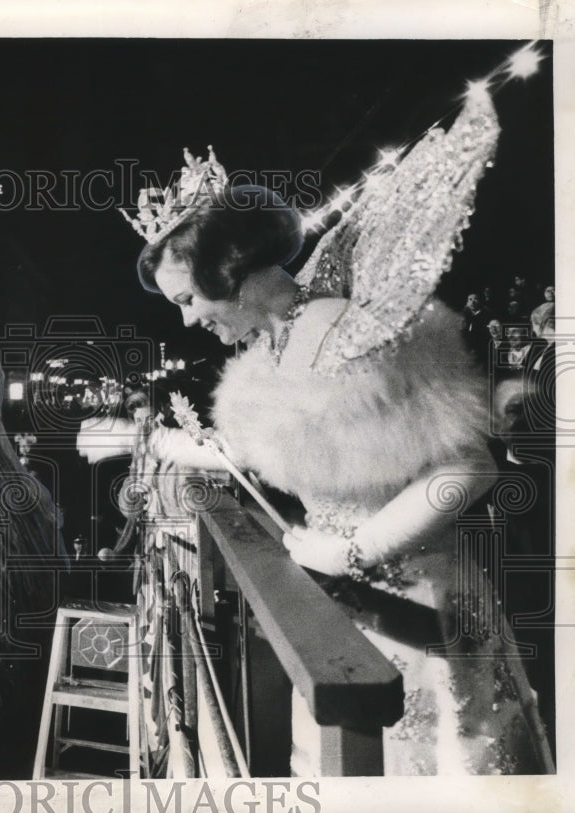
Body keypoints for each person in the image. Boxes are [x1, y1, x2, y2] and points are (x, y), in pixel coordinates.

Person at [121, 91, 554, 776]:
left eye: (188, 300)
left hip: (422, 612)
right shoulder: (277, 348)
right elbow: (321, 449)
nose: (187, 322)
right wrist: (202, 449)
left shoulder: (349, 333)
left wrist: (351, 549)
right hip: (347, 615)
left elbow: (468, 469)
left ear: (228, 272)